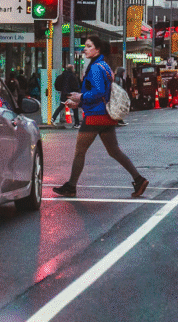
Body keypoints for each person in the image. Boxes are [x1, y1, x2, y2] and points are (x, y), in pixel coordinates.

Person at [52, 35, 148, 199]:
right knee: (114, 151)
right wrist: (80, 103)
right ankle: (138, 179)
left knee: (79, 152)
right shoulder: (104, 66)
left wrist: (80, 98)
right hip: (105, 116)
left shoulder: (96, 67)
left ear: (97, 49)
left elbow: (98, 92)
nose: (85, 49)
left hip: (95, 116)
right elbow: (102, 93)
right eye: (85, 46)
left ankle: (71, 187)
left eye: (89, 46)